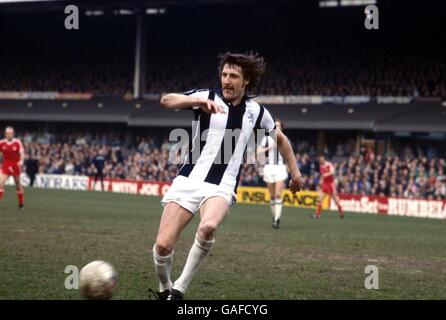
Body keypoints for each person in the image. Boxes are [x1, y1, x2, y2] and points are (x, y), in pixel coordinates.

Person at [151, 52, 305, 300]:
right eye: (224, 74)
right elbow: (167, 100)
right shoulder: (207, 97)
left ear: (246, 81)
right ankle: (165, 287)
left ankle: (179, 289)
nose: (227, 80)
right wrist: (195, 102)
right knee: (163, 246)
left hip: (221, 185)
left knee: (209, 225)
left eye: (233, 75)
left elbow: (282, 141)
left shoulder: (257, 112)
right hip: (188, 180)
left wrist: (296, 174)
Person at [257, 119, 288, 229]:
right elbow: (258, 152)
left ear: (282, 128)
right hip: (269, 167)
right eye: (275, 126)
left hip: (280, 167)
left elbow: (288, 154)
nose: (277, 127)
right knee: (272, 196)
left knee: (278, 194)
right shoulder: (266, 138)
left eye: (279, 126)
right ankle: (275, 216)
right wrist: (269, 148)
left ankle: (277, 220)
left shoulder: (284, 139)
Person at [0, 126, 25, 209]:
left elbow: (22, 153)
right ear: (5, 134)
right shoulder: (1, 142)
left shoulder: (17, 142)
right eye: (7, 133)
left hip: (15, 165)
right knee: (1, 183)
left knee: (17, 184)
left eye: (10, 133)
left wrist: (21, 161)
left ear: (13, 134)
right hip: (5, 165)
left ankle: (21, 204)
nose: (9, 135)